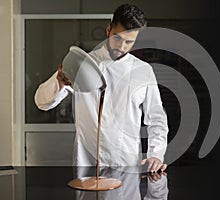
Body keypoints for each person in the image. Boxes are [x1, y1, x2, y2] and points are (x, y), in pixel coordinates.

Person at [34, 3, 168, 173]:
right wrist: (59, 83)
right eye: (117, 38)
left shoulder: (143, 71)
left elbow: (157, 118)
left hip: (126, 166)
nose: (121, 46)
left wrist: (156, 154)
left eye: (129, 42)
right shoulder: (82, 63)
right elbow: (41, 102)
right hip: (86, 165)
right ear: (108, 30)